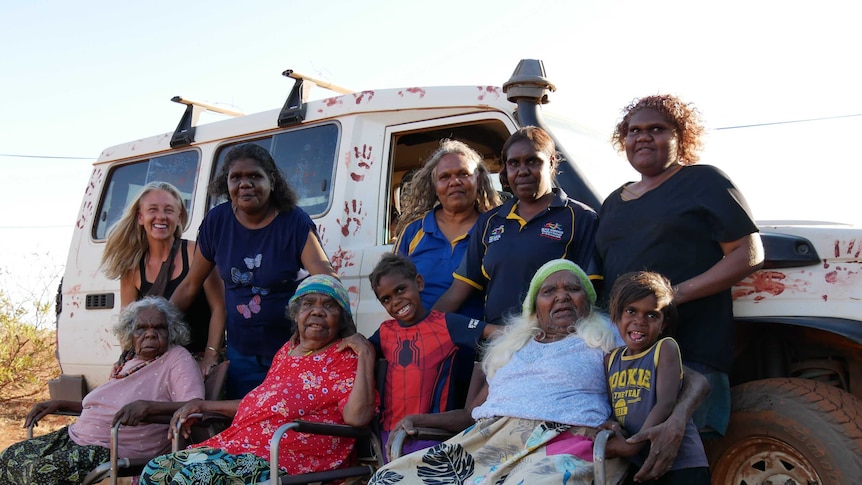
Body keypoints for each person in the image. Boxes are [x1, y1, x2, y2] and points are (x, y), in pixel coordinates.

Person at [596, 95, 765, 445]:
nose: (642, 136)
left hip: (692, 351)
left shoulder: (703, 181)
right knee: (633, 457)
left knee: (686, 457)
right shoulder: (613, 201)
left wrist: (673, 296)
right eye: (633, 130)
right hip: (629, 361)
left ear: (681, 137)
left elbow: (749, 252)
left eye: (657, 128)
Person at [370, 259, 629, 484]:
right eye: (549, 291)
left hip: (562, 440)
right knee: (389, 478)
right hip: (490, 440)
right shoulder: (510, 347)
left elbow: (633, 396)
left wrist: (615, 424)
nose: (561, 296)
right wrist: (420, 419)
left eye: (572, 289)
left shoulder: (606, 339)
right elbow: (472, 415)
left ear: (588, 299)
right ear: (534, 308)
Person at [139, 275, 376, 485]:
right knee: (156, 470)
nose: (317, 311)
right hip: (240, 446)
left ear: (342, 318)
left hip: (287, 457)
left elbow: (357, 417)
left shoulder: (345, 356)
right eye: (308, 304)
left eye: (329, 306)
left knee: (191, 478)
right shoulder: (287, 351)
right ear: (296, 314)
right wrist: (203, 404)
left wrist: (365, 354)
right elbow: (261, 404)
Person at [170, 144, 337, 399]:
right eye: (236, 177)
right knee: (247, 423)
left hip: (291, 350)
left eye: (254, 176)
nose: (244, 184)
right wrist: (158, 321)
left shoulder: (294, 222)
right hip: (242, 354)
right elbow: (191, 285)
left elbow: (324, 276)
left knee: (285, 424)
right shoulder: (217, 222)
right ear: (226, 183)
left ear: (271, 180)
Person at [0, 297, 204, 485]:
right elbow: (104, 405)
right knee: (8, 458)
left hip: (111, 448)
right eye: (141, 328)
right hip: (76, 436)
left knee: (40, 472)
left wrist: (149, 408)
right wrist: (61, 403)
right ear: (130, 335)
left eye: (159, 328)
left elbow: (194, 406)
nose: (150, 333)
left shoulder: (176, 358)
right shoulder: (128, 362)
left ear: (171, 331)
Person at [433, 126, 600, 325]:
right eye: (514, 163)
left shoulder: (581, 217)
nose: (522, 171)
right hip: (499, 345)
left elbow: (592, 294)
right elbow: (457, 292)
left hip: (555, 344)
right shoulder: (489, 222)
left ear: (552, 163)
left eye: (533, 161)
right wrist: (420, 326)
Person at [367, 253, 499, 459]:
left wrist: (536, 331)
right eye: (387, 299)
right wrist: (355, 340)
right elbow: (362, 351)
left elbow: (495, 332)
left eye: (400, 289)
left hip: (431, 434)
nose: (396, 301)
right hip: (389, 436)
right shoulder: (384, 332)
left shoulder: (446, 324)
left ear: (418, 283)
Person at [100, 182, 226, 375]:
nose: (161, 217)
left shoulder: (196, 252)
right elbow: (128, 325)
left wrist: (210, 356)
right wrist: (127, 360)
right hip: (156, 362)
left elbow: (219, 308)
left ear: (179, 217)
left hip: (196, 357)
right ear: (141, 217)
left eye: (169, 210)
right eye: (152, 210)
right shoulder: (132, 267)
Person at [604, 271, 710, 484]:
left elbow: (665, 403)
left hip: (682, 463)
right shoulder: (611, 360)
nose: (640, 321)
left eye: (652, 315)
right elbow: (613, 408)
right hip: (641, 463)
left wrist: (632, 444)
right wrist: (610, 425)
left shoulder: (665, 348)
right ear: (615, 317)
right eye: (631, 311)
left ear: (663, 324)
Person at [393, 139, 502, 320]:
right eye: (445, 177)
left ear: (479, 179)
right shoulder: (413, 232)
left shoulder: (494, 230)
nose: (454, 182)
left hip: (479, 341)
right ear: (434, 186)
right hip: (422, 339)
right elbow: (394, 290)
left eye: (463, 174)